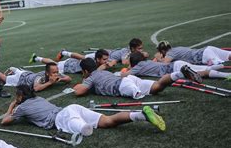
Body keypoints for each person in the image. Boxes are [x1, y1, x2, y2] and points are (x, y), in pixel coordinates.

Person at [1, 85, 166, 134]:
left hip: (61, 118)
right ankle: (141, 115)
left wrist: (11, 106)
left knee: (85, 131)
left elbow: (5, 121)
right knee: (108, 122)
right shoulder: (39, 98)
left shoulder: (21, 107)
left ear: (20, 96)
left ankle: (81, 127)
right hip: (72, 108)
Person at [73, 57, 201, 99]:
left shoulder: (91, 77)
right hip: (129, 80)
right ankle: (180, 73)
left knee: (142, 98)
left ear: (85, 71)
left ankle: (180, 73)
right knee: (157, 87)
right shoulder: (102, 72)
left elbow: (79, 91)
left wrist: (84, 81)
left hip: (122, 86)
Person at [124, 51, 230, 80]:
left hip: (174, 68)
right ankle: (218, 68)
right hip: (176, 64)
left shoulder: (138, 66)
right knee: (203, 69)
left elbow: (125, 75)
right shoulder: (145, 62)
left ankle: (226, 75)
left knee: (201, 73)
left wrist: (127, 69)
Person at [57, 38, 149, 68]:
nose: (141, 50)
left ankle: (68, 57)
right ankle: (64, 52)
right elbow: (125, 63)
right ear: (132, 48)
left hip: (108, 54)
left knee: (82, 59)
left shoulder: (131, 51)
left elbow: (146, 54)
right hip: (103, 54)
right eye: (139, 49)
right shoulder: (127, 52)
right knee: (83, 58)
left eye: (142, 48)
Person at [0, 62, 71, 92]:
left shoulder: (56, 74)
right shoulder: (40, 77)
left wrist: (61, 79)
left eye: (57, 72)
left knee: (20, 72)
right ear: (47, 73)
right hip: (20, 79)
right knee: (3, 78)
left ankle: (15, 70)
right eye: (54, 72)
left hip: (28, 74)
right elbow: (36, 88)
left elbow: (69, 78)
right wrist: (50, 82)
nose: (56, 74)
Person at [155, 40, 231, 65]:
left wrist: (159, 59)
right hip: (208, 49)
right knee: (229, 56)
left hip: (204, 55)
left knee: (220, 66)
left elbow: (165, 64)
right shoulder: (177, 48)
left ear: (162, 51)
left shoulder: (170, 53)